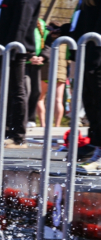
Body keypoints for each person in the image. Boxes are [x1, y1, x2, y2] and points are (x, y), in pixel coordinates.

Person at [0, 0, 40, 149]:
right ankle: (8, 133)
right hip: (7, 48)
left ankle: (18, 137)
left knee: (17, 91)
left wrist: (12, 49)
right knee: (8, 92)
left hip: (16, 49)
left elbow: (21, 24)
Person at [70, 0, 101, 173]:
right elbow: (83, 23)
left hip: (96, 55)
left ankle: (99, 153)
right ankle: (96, 147)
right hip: (88, 55)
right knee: (91, 103)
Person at [37, 23, 67, 129]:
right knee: (58, 100)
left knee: (40, 98)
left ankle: (43, 125)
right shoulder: (65, 40)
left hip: (46, 69)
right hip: (61, 70)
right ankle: (57, 126)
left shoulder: (47, 38)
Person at [25, 19, 49, 127]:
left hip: (37, 63)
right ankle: (21, 118)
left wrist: (43, 56)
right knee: (26, 89)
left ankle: (30, 118)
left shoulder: (42, 23)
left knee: (36, 91)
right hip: (24, 61)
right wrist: (30, 56)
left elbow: (47, 42)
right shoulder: (24, 19)